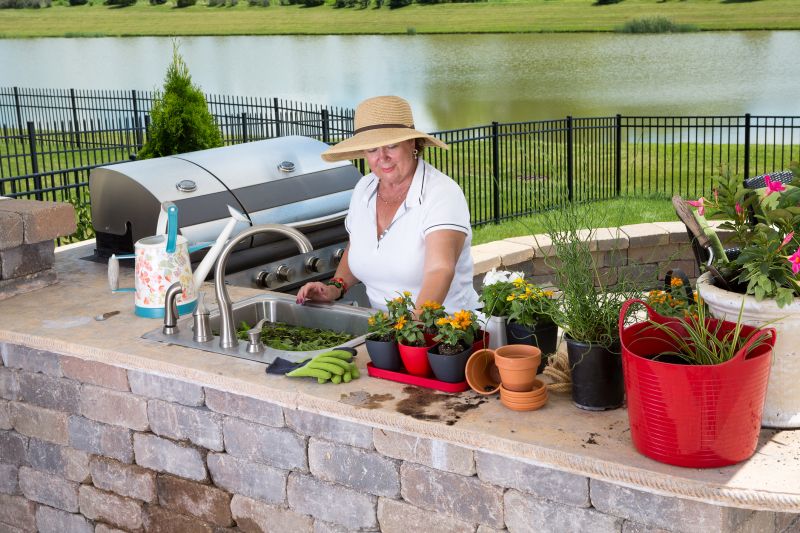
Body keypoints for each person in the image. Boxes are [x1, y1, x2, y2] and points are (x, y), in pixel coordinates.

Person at [296, 95, 479, 315]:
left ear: (412, 143)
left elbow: (440, 270)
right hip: (385, 329)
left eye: (391, 146)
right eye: (372, 149)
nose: (382, 157)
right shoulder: (365, 187)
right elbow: (359, 247)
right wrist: (334, 287)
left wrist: (412, 327)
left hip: (448, 329)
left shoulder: (442, 193)